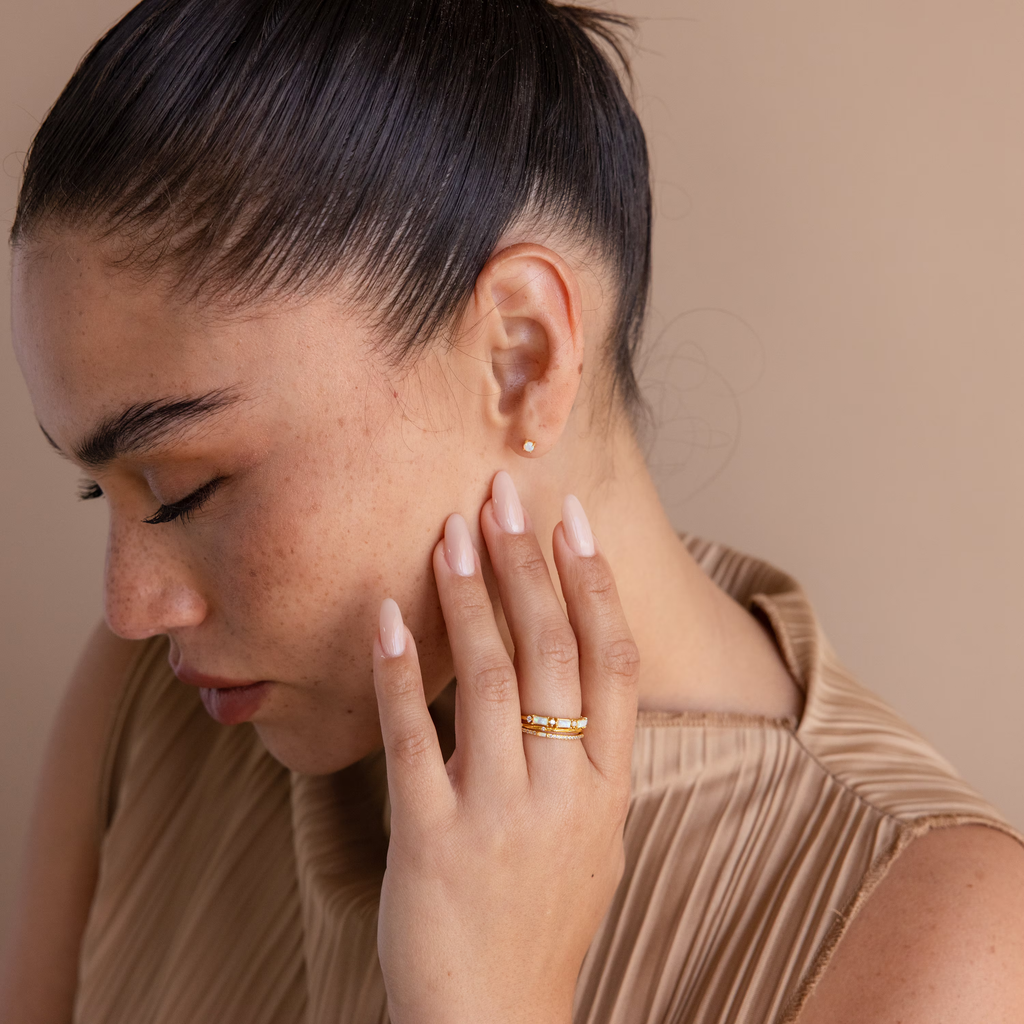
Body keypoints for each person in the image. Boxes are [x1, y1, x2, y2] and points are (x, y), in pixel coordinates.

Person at [2, 0, 1023, 1021]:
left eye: (184, 488)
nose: (131, 604)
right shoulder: (157, 705)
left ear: (520, 357)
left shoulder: (943, 949)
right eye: (105, 487)